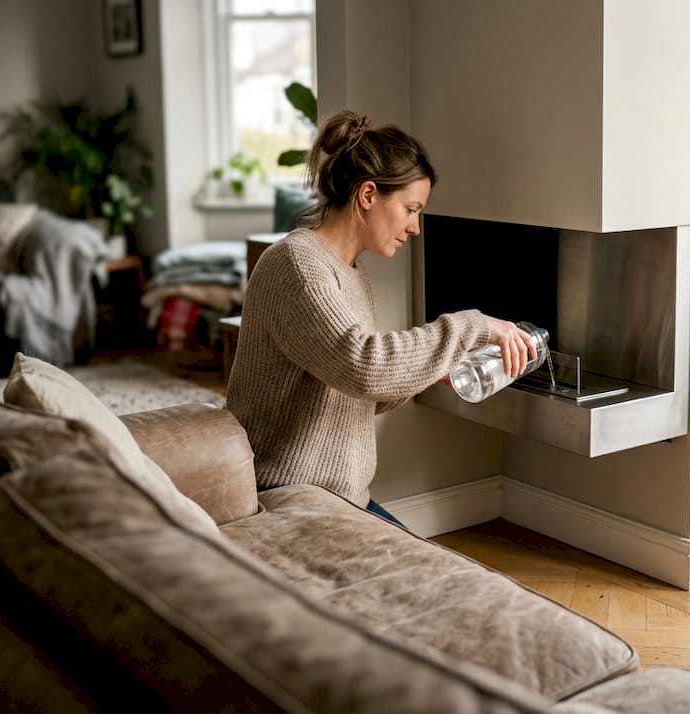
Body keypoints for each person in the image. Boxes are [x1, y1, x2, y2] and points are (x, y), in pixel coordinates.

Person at [226, 110, 536, 527]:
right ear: (368, 195)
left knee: (435, 573)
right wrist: (473, 326)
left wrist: (433, 369)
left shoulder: (352, 274)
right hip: (287, 495)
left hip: (344, 497)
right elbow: (364, 366)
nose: (415, 228)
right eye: (411, 209)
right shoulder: (296, 264)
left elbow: (360, 392)